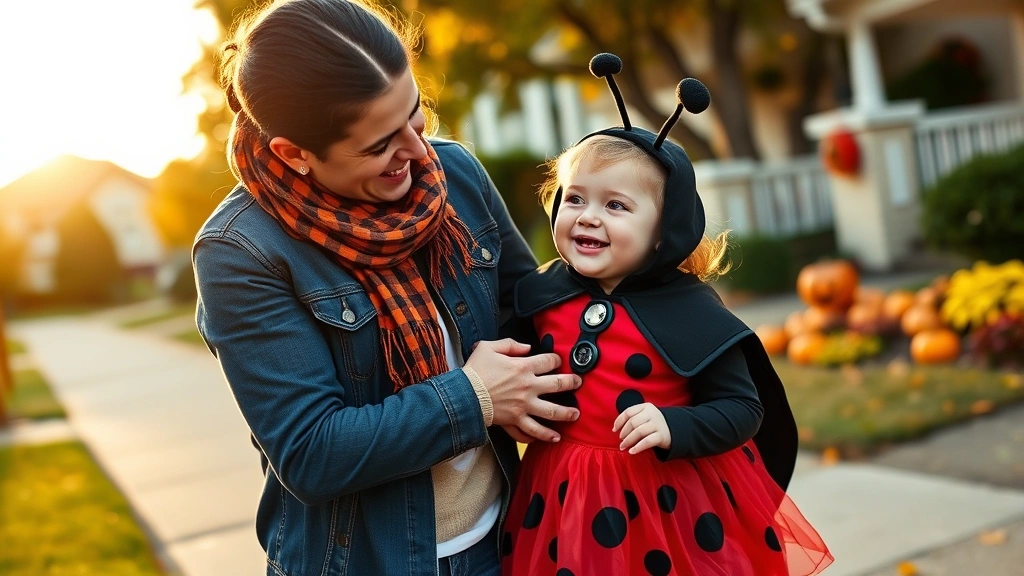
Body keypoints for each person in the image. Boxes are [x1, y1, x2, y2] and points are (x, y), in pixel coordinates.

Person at [192, 1, 583, 575]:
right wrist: (475, 397)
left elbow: (540, 317)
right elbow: (312, 453)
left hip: (507, 540)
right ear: (295, 154)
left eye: (415, 112)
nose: (420, 151)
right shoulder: (241, 251)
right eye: (380, 145)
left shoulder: (457, 177)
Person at [501, 54, 833, 576]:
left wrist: (674, 424)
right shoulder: (542, 292)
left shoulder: (691, 310)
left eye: (616, 206)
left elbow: (743, 409)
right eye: (576, 199)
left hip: (667, 501)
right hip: (562, 493)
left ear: (664, 231)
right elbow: (515, 365)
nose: (588, 216)